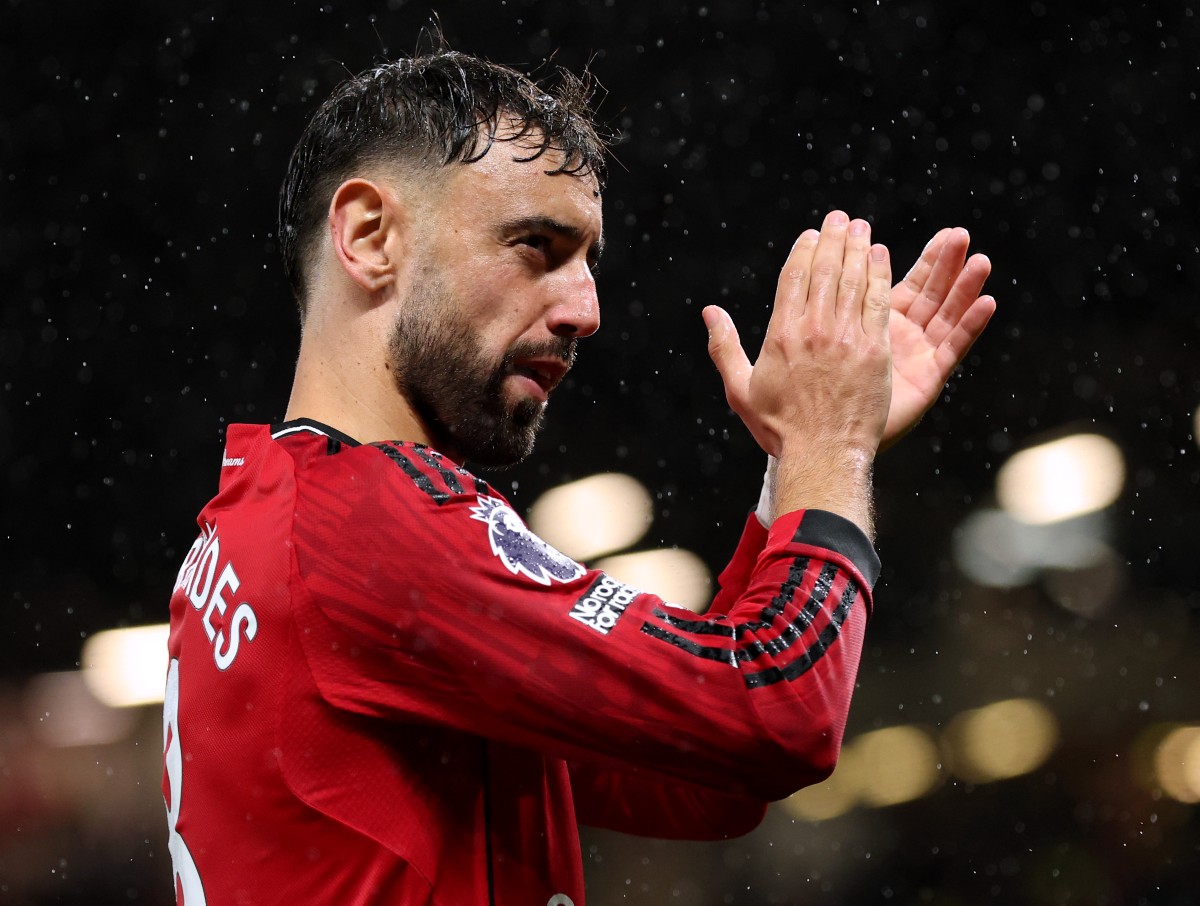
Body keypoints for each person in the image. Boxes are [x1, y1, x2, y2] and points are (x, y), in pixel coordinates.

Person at [162, 47, 995, 906]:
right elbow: (777, 718)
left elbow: (705, 778)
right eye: (535, 246)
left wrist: (798, 460)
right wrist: (833, 446)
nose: (585, 310)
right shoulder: (365, 527)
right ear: (371, 236)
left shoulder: (262, 514)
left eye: (588, 260)